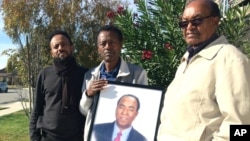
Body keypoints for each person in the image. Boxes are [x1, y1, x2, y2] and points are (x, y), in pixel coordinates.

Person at [157, 0, 250, 141]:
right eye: (184, 23)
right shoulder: (186, 61)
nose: (189, 27)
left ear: (215, 21)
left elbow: (242, 126)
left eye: (197, 21)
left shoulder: (230, 60)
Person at [79, 24, 148, 141]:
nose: (107, 47)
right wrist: (88, 94)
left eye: (112, 43)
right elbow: (84, 111)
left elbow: (143, 110)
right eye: (103, 44)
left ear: (121, 45)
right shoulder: (90, 75)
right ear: (98, 48)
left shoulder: (137, 73)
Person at [29, 30, 88, 141]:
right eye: (56, 46)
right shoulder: (44, 74)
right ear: (52, 52)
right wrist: (35, 137)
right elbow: (37, 108)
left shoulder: (85, 74)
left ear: (72, 47)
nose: (60, 48)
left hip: (77, 137)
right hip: (48, 137)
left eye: (64, 44)